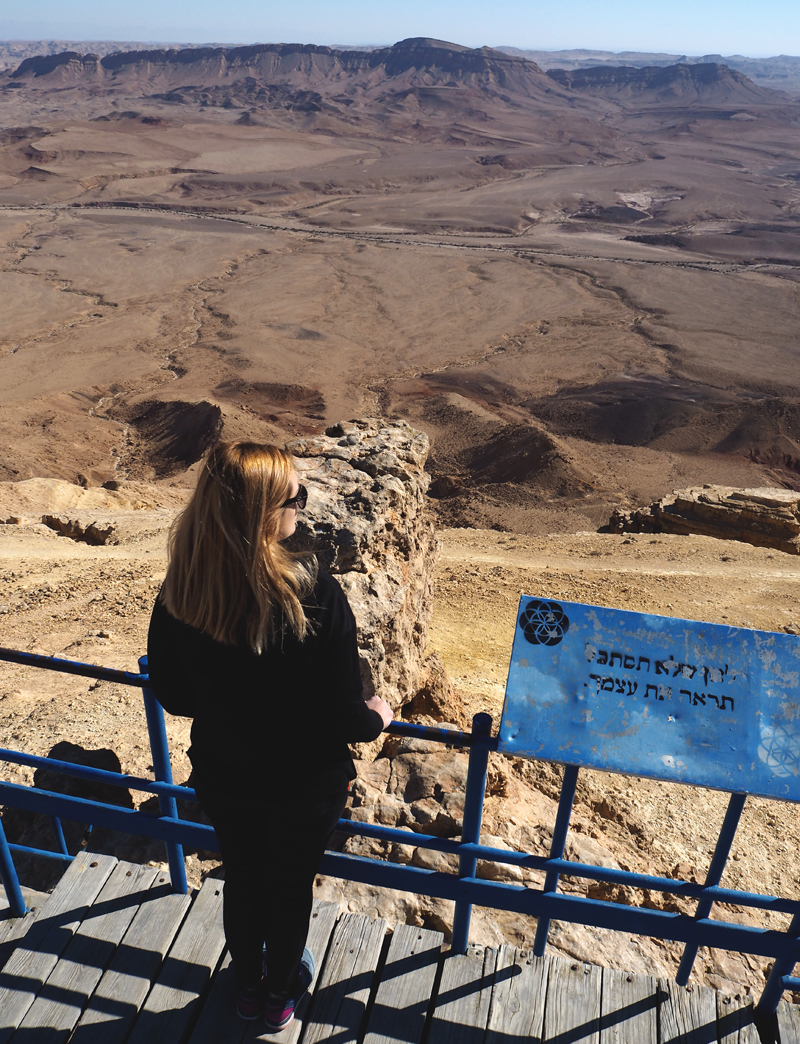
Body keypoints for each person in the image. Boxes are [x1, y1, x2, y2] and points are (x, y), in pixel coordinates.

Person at [146, 441, 392, 1032]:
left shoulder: (181, 592)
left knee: (244, 876)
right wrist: (377, 717)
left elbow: (174, 697)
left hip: (225, 775)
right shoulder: (312, 591)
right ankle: (282, 992)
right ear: (261, 511)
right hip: (304, 786)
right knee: (287, 888)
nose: (301, 508)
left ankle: (249, 988)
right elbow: (343, 711)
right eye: (294, 497)